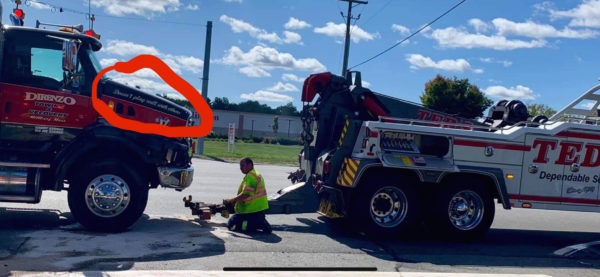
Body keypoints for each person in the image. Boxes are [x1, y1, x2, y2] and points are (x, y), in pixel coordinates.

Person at [224, 157, 272, 234]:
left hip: (250, 210)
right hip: (257, 209)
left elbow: (245, 195)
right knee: (236, 221)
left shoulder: (251, 177)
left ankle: (258, 224)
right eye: (240, 166)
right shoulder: (255, 173)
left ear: (250, 165)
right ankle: (259, 221)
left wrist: (233, 200)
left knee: (231, 225)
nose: (241, 168)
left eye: (243, 165)